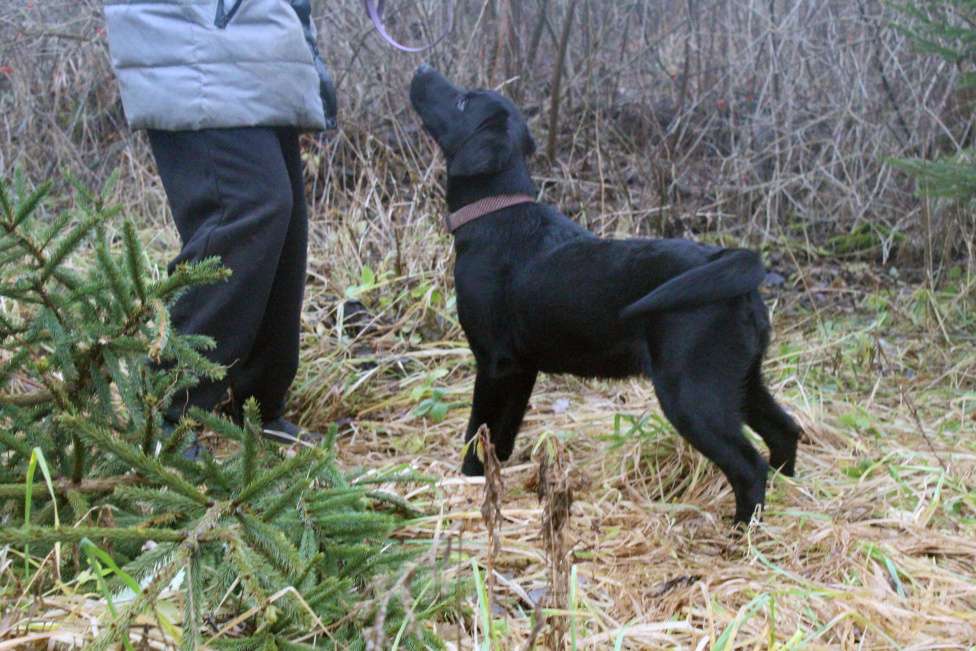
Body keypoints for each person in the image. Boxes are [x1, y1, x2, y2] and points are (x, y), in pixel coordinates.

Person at [103, 0, 337, 443]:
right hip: (194, 34)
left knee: (281, 220)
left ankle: (253, 408)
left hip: (256, 35)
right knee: (248, 208)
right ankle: (164, 412)